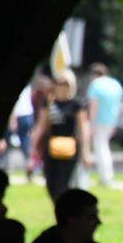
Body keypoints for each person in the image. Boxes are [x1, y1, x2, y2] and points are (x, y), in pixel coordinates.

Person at [31, 71, 89, 202]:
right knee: (50, 182)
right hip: (51, 147)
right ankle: (58, 208)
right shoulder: (49, 102)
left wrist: (86, 151)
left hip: (70, 148)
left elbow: (83, 128)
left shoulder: (76, 104)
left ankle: (62, 213)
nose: (61, 86)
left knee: (62, 185)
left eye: (65, 84)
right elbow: (41, 125)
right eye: (58, 83)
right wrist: (33, 146)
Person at [85, 63, 123, 187]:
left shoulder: (95, 85)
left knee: (100, 148)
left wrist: (91, 123)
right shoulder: (115, 84)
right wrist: (115, 122)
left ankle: (105, 176)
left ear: (94, 74)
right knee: (104, 147)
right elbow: (119, 105)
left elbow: (93, 105)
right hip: (111, 121)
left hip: (98, 120)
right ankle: (108, 175)